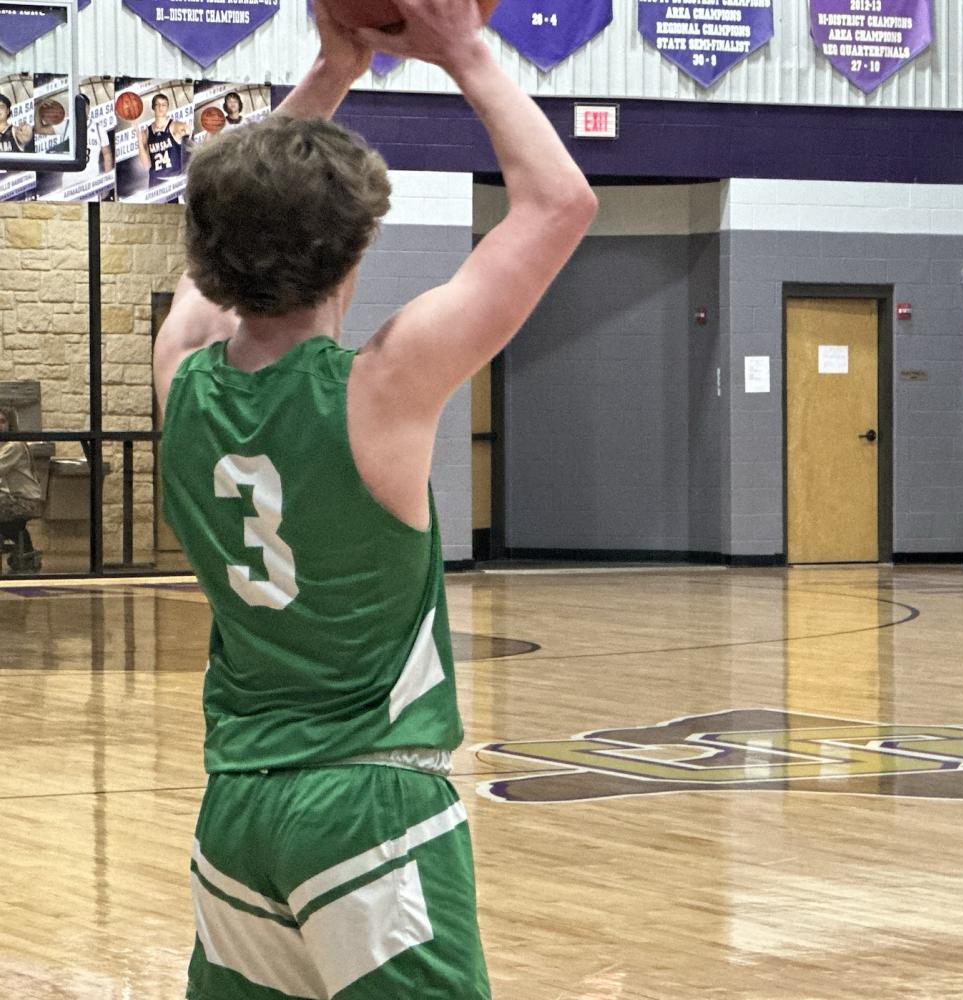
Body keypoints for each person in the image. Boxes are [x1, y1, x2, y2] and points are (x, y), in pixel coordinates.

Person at [152, 2, 596, 996]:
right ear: (354, 255)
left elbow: (218, 220)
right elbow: (558, 206)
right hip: (370, 801)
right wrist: (465, 50)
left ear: (210, 251)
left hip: (237, 811)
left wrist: (330, 70)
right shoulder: (380, 388)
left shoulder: (178, 373)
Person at [0, 406, 43, 571]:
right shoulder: (5, 446)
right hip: (16, 498)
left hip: (25, 501)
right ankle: (25, 549)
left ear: (11, 425)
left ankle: (25, 550)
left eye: (2, 421)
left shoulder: (14, 446)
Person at [137, 93, 189, 187]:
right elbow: (146, 166)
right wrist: (140, 143)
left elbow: (190, 140)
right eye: (158, 104)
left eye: (164, 105)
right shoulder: (146, 132)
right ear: (153, 107)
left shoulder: (176, 126)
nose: (161, 107)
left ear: (167, 107)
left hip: (174, 180)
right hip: (155, 181)